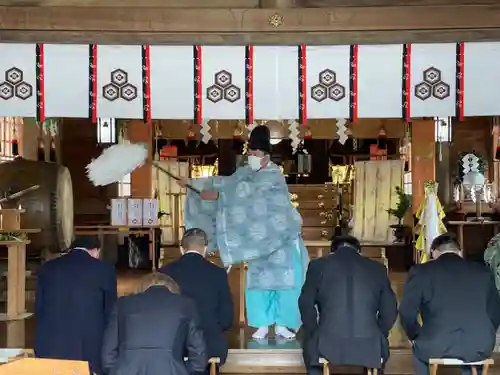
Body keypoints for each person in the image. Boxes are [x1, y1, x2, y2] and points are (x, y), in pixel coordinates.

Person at [180, 125, 309, 340]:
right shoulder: (243, 173)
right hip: (257, 241)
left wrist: (218, 196)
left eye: (256, 154)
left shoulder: (273, 175)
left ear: (266, 156)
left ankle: (283, 323)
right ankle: (261, 322)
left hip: (280, 238)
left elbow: (247, 194)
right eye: (250, 153)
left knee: (284, 281)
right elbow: (225, 182)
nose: (252, 157)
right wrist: (193, 184)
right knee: (258, 281)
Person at [399, 232, 500, 375]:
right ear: (460, 252)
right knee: (471, 357)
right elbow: (495, 312)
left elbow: (407, 311)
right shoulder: (482, 272)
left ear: (433, 253)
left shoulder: (421, 272)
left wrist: (415, 335)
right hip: (479, 344)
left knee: (419, 352)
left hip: (435, 344)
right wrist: (483, 334)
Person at [299, 235, 397, 375]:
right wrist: (379, 332)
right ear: (359, 251)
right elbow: (390, 309)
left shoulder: (318, 266)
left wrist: (314, 331)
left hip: (328, 343)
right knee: (379, 346)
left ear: (332, 251)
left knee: (309, 343)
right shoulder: (377, 268)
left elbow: (305, 303)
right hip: (369, 344)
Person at [34, 236, 117, 375]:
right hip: (89, 342)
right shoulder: (105, 270)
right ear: (96, 250)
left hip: (52, 340)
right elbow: (110, 310)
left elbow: (39, 308)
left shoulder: (47, 268)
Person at [101, 272, 207, 375]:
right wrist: (180, 369)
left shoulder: (122, 305)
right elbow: (199, 361)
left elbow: (108, 359)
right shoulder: (186, 305)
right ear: (172, 289)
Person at [160, 228, 234, 371]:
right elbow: (226, 318)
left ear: (182, 249)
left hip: (173, 344)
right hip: (208, 344)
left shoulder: (165, 272)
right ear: (205, 248)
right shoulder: (217, 273)